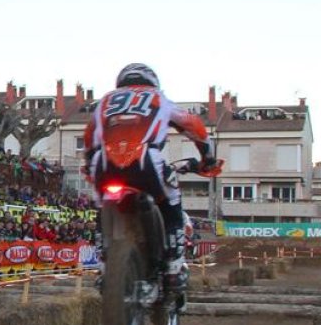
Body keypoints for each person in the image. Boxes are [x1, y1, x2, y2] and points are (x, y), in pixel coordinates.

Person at [83, 63, 219, 292]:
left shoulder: (105, 102)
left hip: (103, 163)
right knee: (172, 201)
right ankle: (174, 267)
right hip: (145, 161)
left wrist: (88, 166)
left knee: (101, 209)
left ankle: (104, 264)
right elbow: (193, 125)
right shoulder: (157, 98)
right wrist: (207, 159)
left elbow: (89, 137)